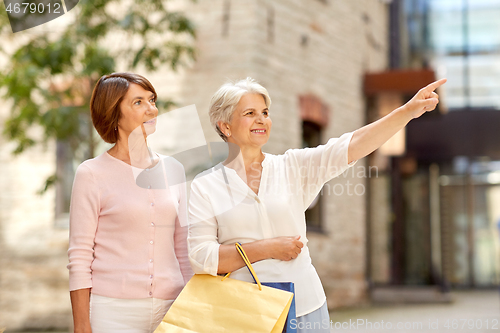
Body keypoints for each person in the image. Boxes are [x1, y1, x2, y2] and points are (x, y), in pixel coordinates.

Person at [188, 77, 446, 332]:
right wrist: (267, 248)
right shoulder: (206, 185)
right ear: (225, 127)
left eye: (265, 112)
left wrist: (406, 112)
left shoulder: (293, 166)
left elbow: (352, 145)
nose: (262, 119)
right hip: (243, 313)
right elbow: (202, 258)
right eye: (250, 113)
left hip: (304, 307)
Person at [67, 72, 193, 333]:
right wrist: (81, 324)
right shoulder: (92, 174)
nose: (152, 109)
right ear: (115, 113)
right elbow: (80, 255)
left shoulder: (174, 169)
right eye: (138, 103)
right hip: (113, 312)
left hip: (173, 307)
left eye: (152, 100)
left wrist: (193, 306)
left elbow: (183, 247)